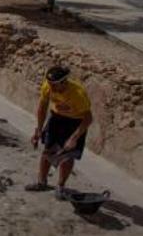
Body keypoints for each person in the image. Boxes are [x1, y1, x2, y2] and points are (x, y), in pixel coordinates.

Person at [26, 66, 93, 199]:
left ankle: (60, 187)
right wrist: (38, 130)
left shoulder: (78, 93)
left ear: (64, 82)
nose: (50, 87)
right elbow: (42, 106)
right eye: (49, 84)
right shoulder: (48, 86)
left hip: (75, 122)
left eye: (54, 85)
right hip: (56, 118)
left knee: (67, 156)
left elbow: (88, 118)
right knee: (47, 151)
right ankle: (42, 182)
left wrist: (74, 138)